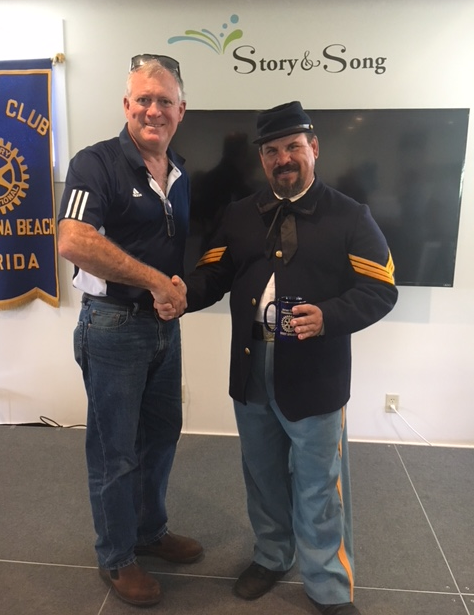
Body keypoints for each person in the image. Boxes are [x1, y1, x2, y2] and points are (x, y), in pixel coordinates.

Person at [157, 101, 398, 614]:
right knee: (263, 476)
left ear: (314, 148)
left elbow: (381, 289)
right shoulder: (240, 214)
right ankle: (271, 556)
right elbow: (213, 274)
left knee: (318, 487)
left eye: (292, 147)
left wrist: (328, 316)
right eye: (271, 151)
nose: (283, 158)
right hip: (251, 371)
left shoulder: (351, 215)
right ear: (262, 159)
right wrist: (183, 294)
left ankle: (328, 586)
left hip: (314, 376)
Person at [57, 54, 203, 608]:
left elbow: (170, 247)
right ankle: (116, 558)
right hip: (112, 328)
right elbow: (73, 240)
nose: (153, 110)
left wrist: (178, 290)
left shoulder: (180, 171)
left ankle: (148, 531)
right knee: (114, 452)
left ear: (182, 110)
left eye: (165, 101)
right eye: (143, 99)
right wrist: (155, 283)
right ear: (126, 105)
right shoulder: (95, 163)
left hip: (163, 331)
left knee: (161, 435)